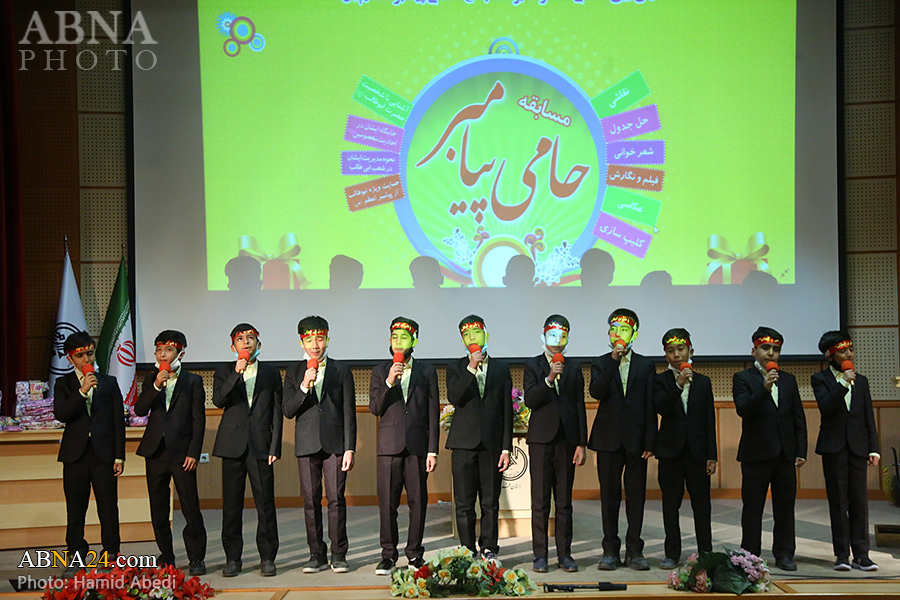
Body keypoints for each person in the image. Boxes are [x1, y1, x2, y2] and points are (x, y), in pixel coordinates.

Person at [283, 316, 356, 574]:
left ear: (328, 339)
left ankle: (339, 553)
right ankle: (316, 553)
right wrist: (304, 385)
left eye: (320, 339)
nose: (315, 345)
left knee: (336, 499)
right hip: (306, 443)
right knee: (310, 501)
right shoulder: (293, 372)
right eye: (309, 340)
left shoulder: (341, 370)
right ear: (301, 343)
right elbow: (288, 410)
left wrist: (350, 448)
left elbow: (349, 412)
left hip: (335, 444)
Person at [369, 317, 440, 574]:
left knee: (418, 502)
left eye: (404, 337)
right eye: (395, 337)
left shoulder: (427, 372)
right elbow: (375, 408)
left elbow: (433, 412)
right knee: (387, 503)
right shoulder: (380, 371)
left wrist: (432, 449)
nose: (398, 342)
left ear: (415, 341)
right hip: (389, 446)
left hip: (418, 446)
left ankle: (414, 553)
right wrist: (389, 381)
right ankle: (388, 555)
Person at [732, 327, 807, 571]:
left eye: (776, 349)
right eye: (765, 348)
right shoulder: (743, 378)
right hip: (756, 454)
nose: (771, 353)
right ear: (754, 351)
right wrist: (764, 388)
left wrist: (801, 450)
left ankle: (784, 553)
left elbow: (797, 417)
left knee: (785, 509)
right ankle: (750, 555)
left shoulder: (789, 380)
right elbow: (744, 409)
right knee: (752, 509)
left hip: (785, 454)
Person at [212, 324, 283, 577]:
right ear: (233, 347)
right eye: (240, 339)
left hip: (261, 446)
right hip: (232, 445)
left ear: (258, 344)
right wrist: (236, 373)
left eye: (250, 338)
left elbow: (276, 411)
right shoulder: (224, 371)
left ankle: (267, 557)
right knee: (231, 506)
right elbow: (219, 400)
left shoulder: (271, 373)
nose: (246, 342)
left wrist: (275, 445)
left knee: (265, 504)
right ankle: (233, 558)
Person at [53, 331, 126, 577]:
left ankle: (111, 554)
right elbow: (62, 414)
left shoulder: (109, 382)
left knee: (108, 508)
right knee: (75, 509)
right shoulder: (63, 384)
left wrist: (119, 456)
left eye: (90, 354)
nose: (87, 360)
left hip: (104, 456)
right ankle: (76, 555)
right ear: (70, 359)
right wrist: (82, 391)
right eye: (80, 356)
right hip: (75, 456)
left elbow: (118, 422)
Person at [134, 331, 207, 575]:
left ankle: (196, 558)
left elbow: (198, 420)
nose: (162, 355)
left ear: (180, 353)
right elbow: (140, 409)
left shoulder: (193, 381)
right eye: (159, 350)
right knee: (158, 508)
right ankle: (166, 555)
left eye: (168, 350)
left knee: (190, 506)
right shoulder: (151, 379)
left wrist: (194, 452)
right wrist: (156, 385)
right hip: (155, 451)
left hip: (182, 453)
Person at [588, 308, 656, 571]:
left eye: (624, 330)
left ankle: (635, 550)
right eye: (614, 329)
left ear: (634, 334)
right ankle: (610, 550)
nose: (618, 334)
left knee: (636, 496)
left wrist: (650, 441)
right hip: (608, 439)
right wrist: (613, 361)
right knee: (609, 496)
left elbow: (650, 404)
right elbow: (597, 391)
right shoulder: (600, 362)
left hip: (637, 440)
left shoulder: (646, 365)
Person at [523, 315, 587, 573]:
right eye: (552, 335)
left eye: (562, 336)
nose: (557, 341)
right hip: (540, 440)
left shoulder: (574, 367)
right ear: (543, 336)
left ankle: (565, 554)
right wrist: (549, 378)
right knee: (540, 501)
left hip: (567, 441)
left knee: (564, 501)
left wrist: (581, 443)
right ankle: (540, 555)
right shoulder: (533, 365)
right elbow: (530, 400)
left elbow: (579, 405)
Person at [811, 331, 880, 572]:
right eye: (843, 351)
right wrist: (843, 383)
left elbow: (868, 415)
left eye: (850, 349)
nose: (849, 354)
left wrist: (874, 448)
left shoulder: (862, 381)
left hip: (858, 446)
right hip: (834, 447)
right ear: (830, 355)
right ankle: (841, 554)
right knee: (839, 502)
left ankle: (862, 555)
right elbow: (826, 407)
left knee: (860, 501)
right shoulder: (820, 379)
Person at [446, 315, 513, 558]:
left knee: (490, 502)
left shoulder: (501, 369)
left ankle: (489, 548)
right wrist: (471, 368)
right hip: (463, 443)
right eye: (466, 335)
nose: (471, 338)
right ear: (462, 341)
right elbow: (454, 397)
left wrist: (506, 448)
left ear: (486, 335)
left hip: (492, 445)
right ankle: (466, 549)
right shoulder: (456, 368)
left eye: (476, 332)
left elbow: (506, 409)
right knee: (464, 503)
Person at [653, 328, 716, 569]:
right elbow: (661, 407)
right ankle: (672, 554)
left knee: (702, 506)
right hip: (670, 452)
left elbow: (709, 420)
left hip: (698, 453)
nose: (676, 354)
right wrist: (678, 384)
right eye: (671, 351)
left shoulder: (703, 382)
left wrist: (712, 455)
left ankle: (706, 552)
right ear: (666, 355)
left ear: (691, 351)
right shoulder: (660, 380)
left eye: (681, 349)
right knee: (671, 505)